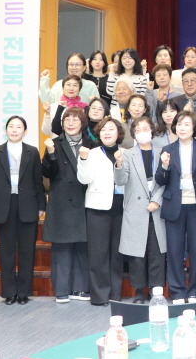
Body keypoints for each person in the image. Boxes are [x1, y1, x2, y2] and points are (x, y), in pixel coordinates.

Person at [0, 116, 45, 305]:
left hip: (28, 205)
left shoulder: (32, 151)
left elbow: (38, 180)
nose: (15, 130)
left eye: (19, 127)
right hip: (3, 206)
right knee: (6, 251)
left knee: (27, 251)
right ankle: (9, 292)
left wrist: (41, 205)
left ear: (25, 131)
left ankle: (24, 292)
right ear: (6, 130)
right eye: (11, 126)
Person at [155, 110, 196, 304]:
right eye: (179, 124)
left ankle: (195, 291)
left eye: (186, 124)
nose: (182, 128)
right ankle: (177, 292)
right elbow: (160, 180)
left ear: (194, 127)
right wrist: (164, 166)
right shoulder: (167, 149)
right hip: (174, 207)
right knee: (174, 252)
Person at [42, 108, 93, 303]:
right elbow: (47, 173)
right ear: (62, 124)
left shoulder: (92, 144)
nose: (71, 123)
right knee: (62, 249)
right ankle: (62, 290)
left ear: (82, 123)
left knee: (83, 247)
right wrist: (51, 154)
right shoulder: (54, 143)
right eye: (67, 120)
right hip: (61, 202)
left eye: (75, 119)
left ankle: (81, 288)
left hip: (85, 200)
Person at [114, 117, 167, 304]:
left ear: (152, 131)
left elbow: (166, 180)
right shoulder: (127, 154)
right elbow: (121, 180)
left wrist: (157, 200)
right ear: (134, 134)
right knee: (137, 253)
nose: (142, 132)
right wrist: (119, 163)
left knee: (156, 253)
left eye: (145, 128)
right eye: (138, 130)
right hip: (136, 209)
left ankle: (155, 290)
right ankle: (138, 291)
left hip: (157, 208)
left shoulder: (162, 152)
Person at [77, 116, 126, 306]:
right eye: (104, 129)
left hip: (121, 209)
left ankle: (115, 295)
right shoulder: (91, 153)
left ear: (118, 133)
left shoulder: (126, 153)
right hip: (97, 209)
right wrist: (83, 159)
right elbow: (84, 179)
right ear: (99, 133)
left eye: (111, 129)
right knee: (98, 255)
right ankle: (99, 296)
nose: (107, 132)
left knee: (117, 255)